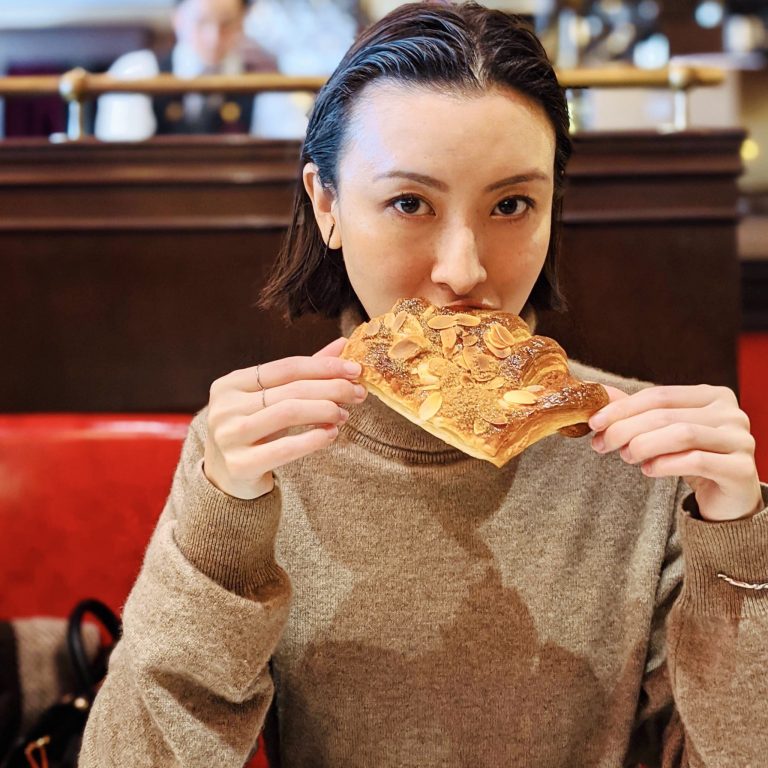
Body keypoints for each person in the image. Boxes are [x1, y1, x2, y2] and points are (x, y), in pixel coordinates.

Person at [80, 2, 767, 766]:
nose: (464, 270)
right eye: (410, 202)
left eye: (512, 205)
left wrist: (741, 541)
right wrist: (222, 537)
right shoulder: (258, 449)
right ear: (328, 204)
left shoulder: (645, 454)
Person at [94, 0, 308, 141]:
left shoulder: (263, 82)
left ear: (243, 20)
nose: (213, 38)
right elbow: (122, 154)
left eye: (227, 24)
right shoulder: (136, 72)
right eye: (201, 22)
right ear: (177, 19)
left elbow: (289, 149)